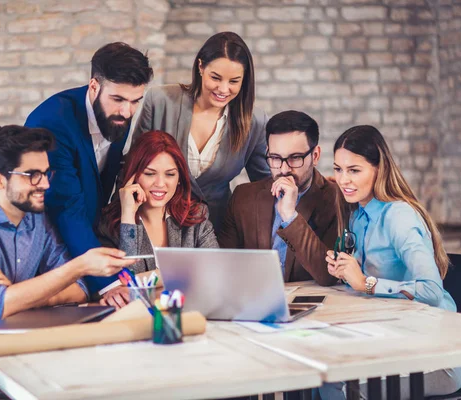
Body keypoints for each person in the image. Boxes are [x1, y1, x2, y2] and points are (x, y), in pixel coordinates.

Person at [0, 126, 134, 400]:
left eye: (45, 173)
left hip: (16, 362)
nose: (45, 184)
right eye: (32, 175)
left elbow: (77, 288)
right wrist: (79, 266)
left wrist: (20, 292)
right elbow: (0, 305)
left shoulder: (35, 219)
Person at [322, 125, 461, 399]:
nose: (343, 179)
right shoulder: (358, 215)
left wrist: (365, 283)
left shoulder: (398, 216)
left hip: (436, 355)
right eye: (338, 169)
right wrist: (345, 271)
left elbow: (432, 291)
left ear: (379, 169)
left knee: (340, 385)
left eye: (354, 170)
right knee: (327, 372)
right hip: (394, 339)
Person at [25, 42, 153, 294]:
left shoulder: (118, 115)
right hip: (47, 251)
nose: (127, 112)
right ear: (94, 85)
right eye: (118, 99)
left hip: (87, 243)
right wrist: (108, 285)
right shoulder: (52, 123)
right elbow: (65, 208)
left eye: (135, 101)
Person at [132, 32, 269, 232]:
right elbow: (131, 165)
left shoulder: (254, 122)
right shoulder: (160, 101)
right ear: (200, 66)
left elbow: (265, 185)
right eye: (216, 77)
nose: (223, 89)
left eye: (234, 81)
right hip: (156, 224)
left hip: (216, 228)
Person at [97, 130, 219, 308]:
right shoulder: (109, 223)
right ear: (134, 175)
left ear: (179, 179)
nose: (161, 183)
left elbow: (213, 272)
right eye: (149, 173)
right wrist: (128, 215)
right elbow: (124, 279)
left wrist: (143, 282)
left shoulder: (196, 216)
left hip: (188, 316)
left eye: (170, 174)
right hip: (135, 322)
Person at [218, 111, 338, 286]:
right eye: (275, 158)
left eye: (295, 158)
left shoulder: (336, 200)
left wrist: (290, 217)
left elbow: (328, 276)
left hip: (314, 304)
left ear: (315, 156)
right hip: (254, 302)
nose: (284, 169)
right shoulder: (243, 197)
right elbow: (222, 266)